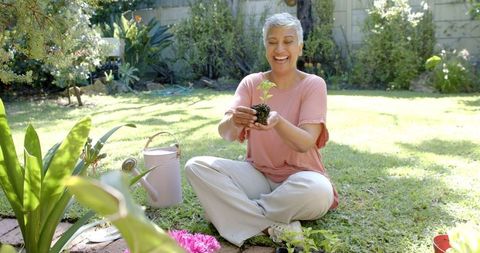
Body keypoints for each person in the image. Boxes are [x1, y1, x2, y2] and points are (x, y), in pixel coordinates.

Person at [185, 12, 338, 247]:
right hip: (257, 176)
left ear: (299, 46)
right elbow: (225, 133)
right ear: (265, 45)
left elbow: (306, 142)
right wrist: (235, 120)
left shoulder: (313, 85)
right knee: (196, 166)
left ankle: (231, 212)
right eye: (272, 42)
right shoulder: (251, 83)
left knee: (320, 191)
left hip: (302, 179)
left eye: (287, 41)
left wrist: (278, 123)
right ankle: (270, 226)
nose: (279, 49)